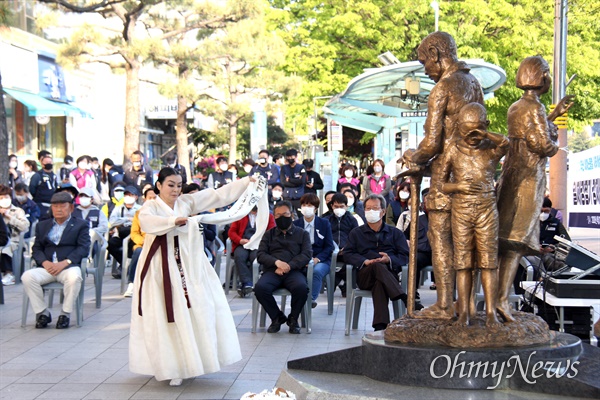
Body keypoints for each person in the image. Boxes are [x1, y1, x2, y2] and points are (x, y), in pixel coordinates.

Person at [129, 168, 268, 385]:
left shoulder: (186, 202)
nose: (175, 189)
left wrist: (245, 183)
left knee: (198, 307)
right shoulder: (151, 206)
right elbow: (147, 223)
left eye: (178, 184)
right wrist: (174, 222)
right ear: (159, 185)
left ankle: (190, 361)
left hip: (189, 262)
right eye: (170, 185)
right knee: (165, 312)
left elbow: (218, 194)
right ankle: (171, 365)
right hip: (160, 264)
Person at [403, 31, 485, 320]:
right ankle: (466, 304)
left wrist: (412, 156)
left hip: (445, 178)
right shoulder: (473, 83)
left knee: (441, 237)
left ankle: (444, 304)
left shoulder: (443, 88)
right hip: (473, 176)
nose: (425, 70)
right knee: (469, 241)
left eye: (425, 61)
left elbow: (432, 142)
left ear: (437, 53)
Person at [496, 55, 573, 323]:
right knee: (515, 241)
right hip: (528, 180)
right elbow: (543, 145)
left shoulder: (517, 107)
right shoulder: (534, 108)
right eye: (547, 72)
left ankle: (496, 298)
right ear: (540, 76)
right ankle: (501, 300)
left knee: (502, 240)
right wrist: (555, 140)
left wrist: (553, 115)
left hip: (511, 176)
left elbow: (532, 130)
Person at [438, 102, 508, 327]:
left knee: (488, 262)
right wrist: (458, 187)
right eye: (467, 131)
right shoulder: (452, 150)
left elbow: (506, 143)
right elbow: (441, 184)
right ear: (459, 127)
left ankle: (490, 312)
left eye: (476, 131)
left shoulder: (490, 148)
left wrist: (484, 133)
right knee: (463, 263)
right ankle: (465, 313)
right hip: (462, 209)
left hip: (487, 209)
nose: (472, 136)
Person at [344, 194, 414, 331]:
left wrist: (390, 259)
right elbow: (348, 254)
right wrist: (365, 261)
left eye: (375, 208)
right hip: (365, 275)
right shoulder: (356, 233)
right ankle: (404, 298)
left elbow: (405, 255)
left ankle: (380, 326)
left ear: (383, 211)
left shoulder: (395, 233)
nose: (371, 211)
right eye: (368, 208)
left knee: (380, 283)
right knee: (376, 265)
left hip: (388, 275)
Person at [22, 191, 91, 329]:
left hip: (68, 267)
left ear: (71, 208)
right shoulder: (43, 225)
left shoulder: (80, 225)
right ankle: (43, 313)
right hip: (47, 267)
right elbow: (36, 249)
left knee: (75, 278)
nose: (58, 209)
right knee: (27, 277)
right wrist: (45, 263)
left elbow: (83, 248)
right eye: (55, 206)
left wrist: (66, 262)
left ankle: (65, 313)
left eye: (62, 206)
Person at [255, 201, 312, 334]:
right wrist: (276, 263)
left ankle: (293, 318)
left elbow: (306, 254)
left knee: (301, 288)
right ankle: (277, 317)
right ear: (273, 217)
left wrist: (289, 266)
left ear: (291, 215)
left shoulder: (302, 234)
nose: (282, 218)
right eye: (278, 215)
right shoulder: (269, 234)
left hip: (294, 271)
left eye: (285, 214)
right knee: (260, 288)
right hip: (273, 271)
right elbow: (261, 254)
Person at [293, 193, 334, 308]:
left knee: (316, 272)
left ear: (316, 208)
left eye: (310, 205)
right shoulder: (296, 225)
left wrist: (317, 259)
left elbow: (329, 246)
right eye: (304, 205)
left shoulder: (324, 223)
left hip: (321, 259)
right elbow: (293, 246)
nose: (307, 207)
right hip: (301, 259)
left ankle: (310, 299)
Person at [229, 206, 276, 297]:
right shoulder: (241, 214)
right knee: (239, 256)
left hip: (259, 245)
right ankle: (247, 283)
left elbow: (272, 232)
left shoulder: (268, 216)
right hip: (243, 244)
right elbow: (232, 232)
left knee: (256, 257)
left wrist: (261, 241)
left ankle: (246, 283)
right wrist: (240, 240)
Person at [123, 187, 157, 298]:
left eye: (154, 198)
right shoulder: (139, 213)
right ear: (144, 199)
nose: (152, 200)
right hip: (143, 244)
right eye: (149, 198)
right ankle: (132, 284)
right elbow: (134, 233)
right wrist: (143, 241)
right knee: (138, 252)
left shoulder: (163, 212)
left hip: (158, 243)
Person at [325, 193, 359, 297]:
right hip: (330, 251)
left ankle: (336, 279)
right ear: (332, 206)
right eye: (336, 206)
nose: (338, 209)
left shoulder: (352, 220)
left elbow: (355, 238)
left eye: (341, 206)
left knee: (354, 262)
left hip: (347, 251)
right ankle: (343, 285)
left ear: (346, 206)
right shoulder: (326, 220)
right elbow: (324, 238)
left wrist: (347, 247)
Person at [107, 186, 142, 278]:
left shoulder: (139, 208)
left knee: (132, 244)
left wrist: (129, 221)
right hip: (120, 233)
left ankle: (125, 268)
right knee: (110, 244)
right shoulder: (119, 208)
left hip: (134, 234)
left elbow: (140, 221)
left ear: (136, 197)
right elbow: (112, 221)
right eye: (126, 195)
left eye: (131, 195)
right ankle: (125, 265)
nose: (128, 197)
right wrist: (127, 219)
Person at [0, 185, 30, 285]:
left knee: (6, 248)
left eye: (6, 197)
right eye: (1, 198)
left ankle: (9, 273)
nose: (4, 200)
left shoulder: (18, 211)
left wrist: (9, 217)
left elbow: (24, 227)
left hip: (14, 240)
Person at [280, 149, 306, 216]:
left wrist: (290, 180)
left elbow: (302, 181)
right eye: (288, 157)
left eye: (292, 157)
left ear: (296, 157)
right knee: (286, 214)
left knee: (300, 215)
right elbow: (283, 182)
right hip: (287, 196)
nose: (290, 159)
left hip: (298, 196)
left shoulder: (301, 167)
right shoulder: (284, 168)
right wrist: (296, 181)